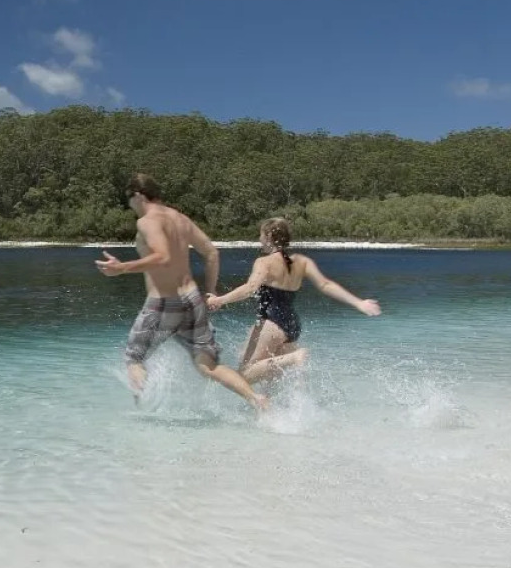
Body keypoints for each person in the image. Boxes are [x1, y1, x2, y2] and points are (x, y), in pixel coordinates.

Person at [95, 173, 266, 411]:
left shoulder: (147, 221)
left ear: (139, 195)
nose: (130, 205)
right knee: (209, 367)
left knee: (134, 358)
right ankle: (258, 400)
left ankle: (138, 419)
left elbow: (162, 256)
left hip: (163, 303)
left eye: (129, 199)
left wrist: (122, 268)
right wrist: (210, 291)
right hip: (192, 300)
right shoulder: (180, 218)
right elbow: (212, 253)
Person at [206, 217, 381, 383]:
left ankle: (296, 357)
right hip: (292, 324)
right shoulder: (302, 261)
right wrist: (358, 303)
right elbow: (325, 284)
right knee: (273, 378)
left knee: (245, 375)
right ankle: (270, 403)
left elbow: (250, 288)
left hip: (271, 322)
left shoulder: (264, 262)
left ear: (269, 236)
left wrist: (220, 300)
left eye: (261, 235)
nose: (259, 239)